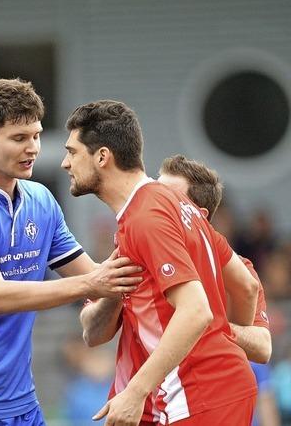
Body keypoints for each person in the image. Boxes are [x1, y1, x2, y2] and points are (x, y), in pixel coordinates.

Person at [0, 79, 143, 425]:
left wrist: (138, 241)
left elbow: (92, 274)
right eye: (19, 138)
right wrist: (94, 284)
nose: (32, 148)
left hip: (18, 400)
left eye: (35, 135)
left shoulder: (42, 201)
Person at [62, 100, 259, 425]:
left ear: (101, 157)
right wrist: (226, 343)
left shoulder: (146, 216)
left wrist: (136, 391)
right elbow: (246, 284)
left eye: (72, 152)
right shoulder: (172, 204)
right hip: (201, 393)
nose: (65, 163)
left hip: (197, 398)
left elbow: (197, 311)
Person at [157, 154, 271, 363]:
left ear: (198, 216)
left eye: (168, 201)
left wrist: (211, 326)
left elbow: (263, 347)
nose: (153, 207)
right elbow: (93, 333)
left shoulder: (238, 268)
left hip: (204, 383)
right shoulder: (138, 253)